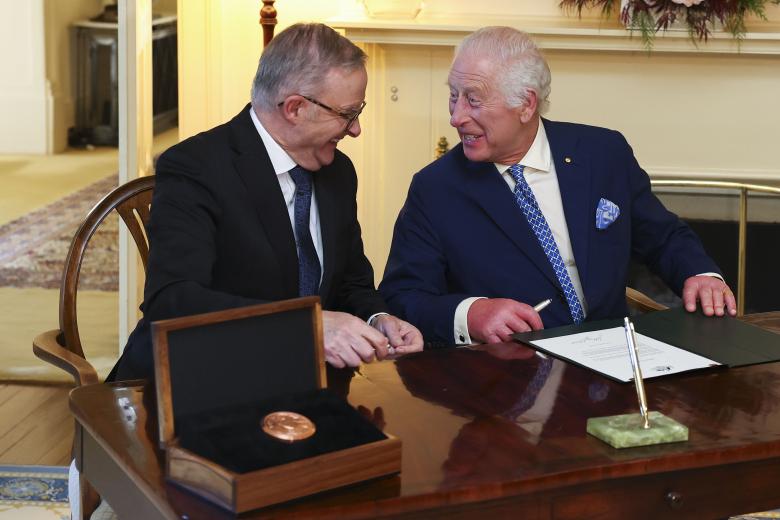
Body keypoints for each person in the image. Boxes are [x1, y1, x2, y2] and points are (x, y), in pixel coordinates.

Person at [379, 26, 736, 347]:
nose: (456, 117)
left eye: (473, 99)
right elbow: (402, 295)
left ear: (526, 104)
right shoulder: (436, 188)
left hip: (613, 360)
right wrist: (470, 314)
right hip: (510, 379)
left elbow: (663, 236)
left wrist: (700, 274)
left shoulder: (603, 153)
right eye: (454, 95)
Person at [109, 23, 423, 382]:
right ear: (295, 108)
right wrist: (308, 328)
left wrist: (378, 320)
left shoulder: (338, 173)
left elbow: (351, 281)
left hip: (300, 383)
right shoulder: (196, 168)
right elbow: (174, 301)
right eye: (347, 114)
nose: (355, 129)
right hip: (191, 383)